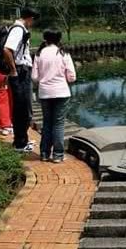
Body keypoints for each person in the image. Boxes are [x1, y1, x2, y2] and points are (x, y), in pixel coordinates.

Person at [32, 29, 76, 162]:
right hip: (61, 92)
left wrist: (44, 79)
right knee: (58, 123)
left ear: (45, 38)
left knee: (47, 123)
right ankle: (58, 155)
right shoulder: (63, 53)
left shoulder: (39, 54)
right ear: (59, 39)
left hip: (45, 93)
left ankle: (44, 153)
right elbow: (72, 77)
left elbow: (34, 77)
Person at [3, 7, 38, 154]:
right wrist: (13, 70)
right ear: (29, 18)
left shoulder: (19, 28)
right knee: (21, 109)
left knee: (22, 108)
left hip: (22, 71)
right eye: (33, 20)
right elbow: (7, 49)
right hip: (20, 72)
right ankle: (20, 143)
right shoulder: (18, 29)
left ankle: (22, 139)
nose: (33, 23)